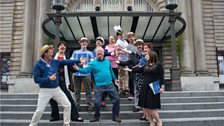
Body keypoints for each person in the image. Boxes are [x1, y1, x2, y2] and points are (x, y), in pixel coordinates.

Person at [29, 45, 82, 126]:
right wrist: (49, 79)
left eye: (52, 52)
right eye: (50, 52)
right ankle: (32, 124)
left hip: (56, 89)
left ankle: (66, 124)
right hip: (45, 90)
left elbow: (66, 62)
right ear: (45, 53)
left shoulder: (54, 62)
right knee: (39, 110)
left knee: (67, 105)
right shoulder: (38, 64)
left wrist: (78, 61)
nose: (52, 54)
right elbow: (36, 80)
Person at [73, 46, 121, 122]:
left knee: (117, 99)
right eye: (97, 51)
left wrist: (115, 79)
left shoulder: (107, 61)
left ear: (103, 52)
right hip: (99, 86)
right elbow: (86, 70)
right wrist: (78, 69)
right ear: (95, 53)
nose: (99, 52)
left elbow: (111, 71)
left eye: (100, 51)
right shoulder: (93, 63)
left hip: (110, 85)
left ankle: (115, 116)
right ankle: (96, 116)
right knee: (97, 103)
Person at [127, 51, 165, 126]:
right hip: (144, 86)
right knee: (143, 105)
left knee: (151, 106)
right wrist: (129, 69)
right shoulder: (146, 65)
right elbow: (138, 70)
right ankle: (151, 121)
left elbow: (161, 76)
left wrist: (162, 87)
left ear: (152, 56)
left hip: (154, 86)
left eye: (147, 56)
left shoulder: (158, 65)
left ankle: (158, 121)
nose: (146, 57)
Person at [49, 42, 83, 122]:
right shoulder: (53, 57)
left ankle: (75, 116)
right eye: (61, 45)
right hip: (53, 80)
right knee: (52, 98)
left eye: (64, 46)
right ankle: (55, 116)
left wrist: (75, 69)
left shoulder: (67, 58)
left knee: (69, 97)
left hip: (62, 80)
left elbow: (71, 68)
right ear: (58, 47)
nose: (63, 46)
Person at [70, 37, 94, 112]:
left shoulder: (90, 53)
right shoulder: (75, 52)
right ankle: (77, 106)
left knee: (88, 90)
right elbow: (71, 60)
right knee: (76, 90)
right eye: (82, 42)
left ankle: (90, 105)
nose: (84, 43)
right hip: (76, 74)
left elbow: (92, 63)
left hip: (86, 73)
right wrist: (77, 63)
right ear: (80, 43)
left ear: (87, 44)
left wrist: (86, 64)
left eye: (85, 42)